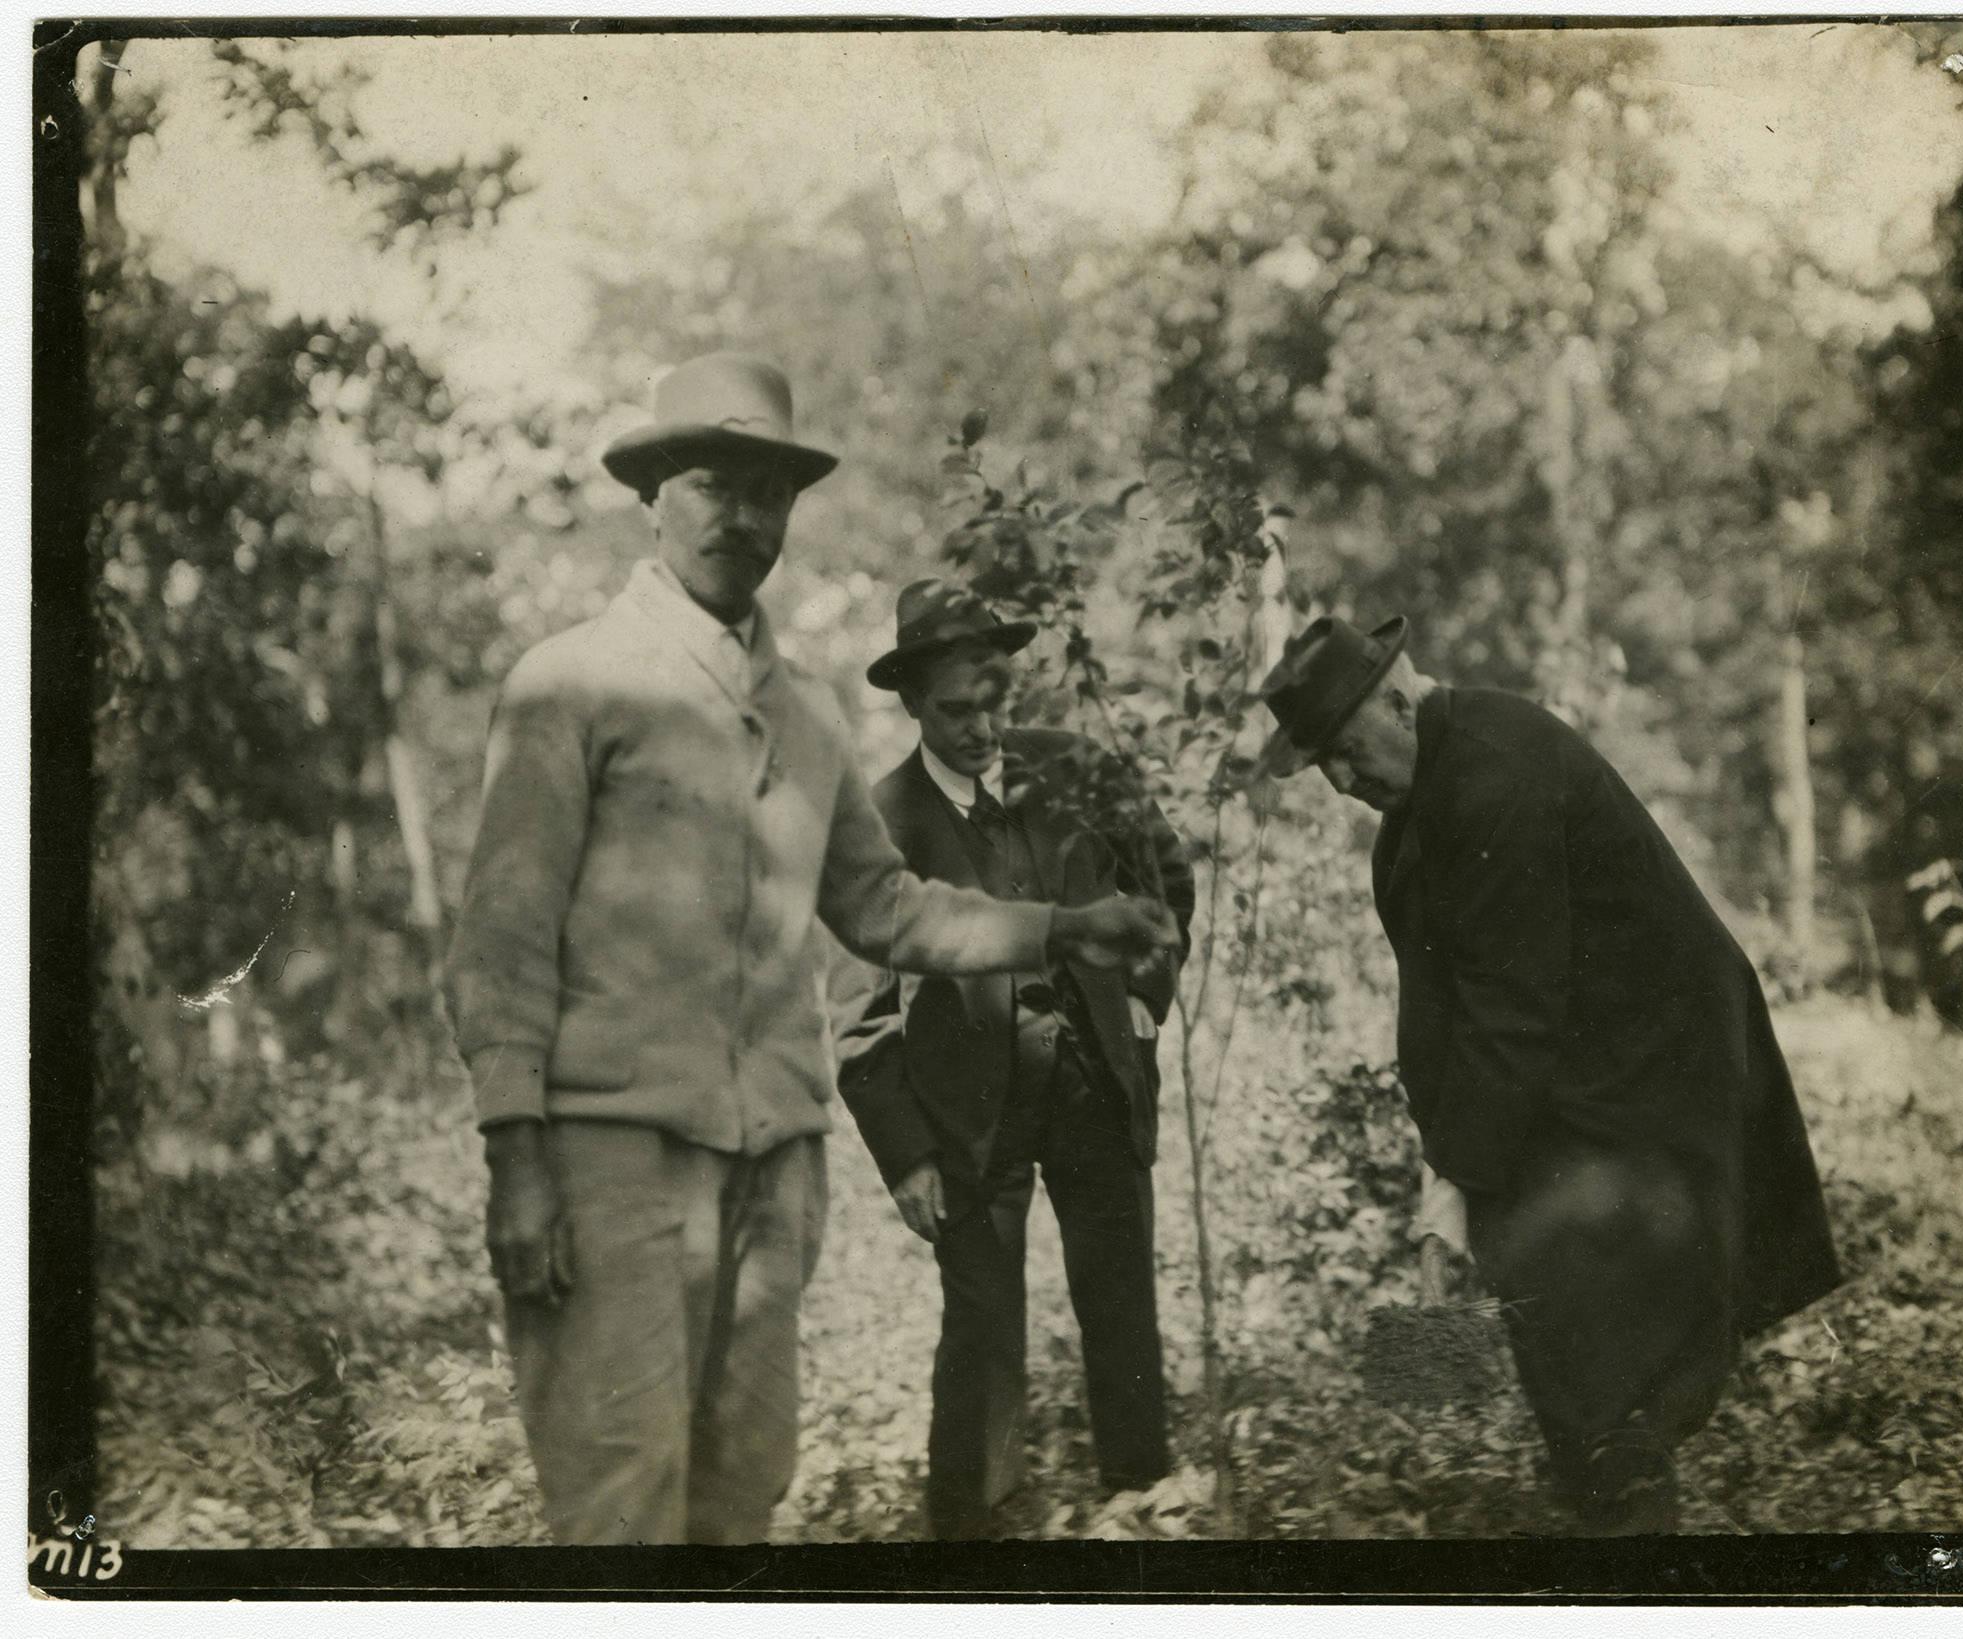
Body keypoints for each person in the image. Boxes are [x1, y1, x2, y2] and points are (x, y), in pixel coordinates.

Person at [444, 354, 1175, 1546]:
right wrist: (514, 1156)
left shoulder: (809, 716)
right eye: (711, 483)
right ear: (652, 493)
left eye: (768, 492)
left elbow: (886, 909)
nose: (742, 517)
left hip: (774, 1163)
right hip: (610, 1158)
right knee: (621, 1502)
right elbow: (501, 941)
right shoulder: (568, 684)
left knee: (741, 1494)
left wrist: (1064, 925)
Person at [1257, 613, 1841, 1533]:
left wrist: (1452, 1189)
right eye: (1319, 762)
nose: (1337, 780)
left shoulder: (1498, 774)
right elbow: (1444, 1006)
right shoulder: (1411, 817)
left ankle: (1628, 1508)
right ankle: (1596, 1471)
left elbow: (1510, 1014)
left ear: (1399, 704)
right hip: (1575, 1062)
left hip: (1660, 1061)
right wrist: (1440, 1168)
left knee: (1602, 1309)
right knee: (1535, 1268)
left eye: (1341, 749)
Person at [830, 579, 1196, 1539]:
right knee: (983, 1331)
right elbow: (861, 1017)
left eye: (994, 701)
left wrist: (1147, 1006)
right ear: (911, 702)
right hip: (970, 1119)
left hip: (1098, 1086)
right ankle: (969, 1537)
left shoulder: (1077, 768)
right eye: (955, 709)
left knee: (1123, 1311)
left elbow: (1170, 882)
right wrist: (907, 1151)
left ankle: (1143, 1513)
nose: (981, 726)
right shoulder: (879, 823)